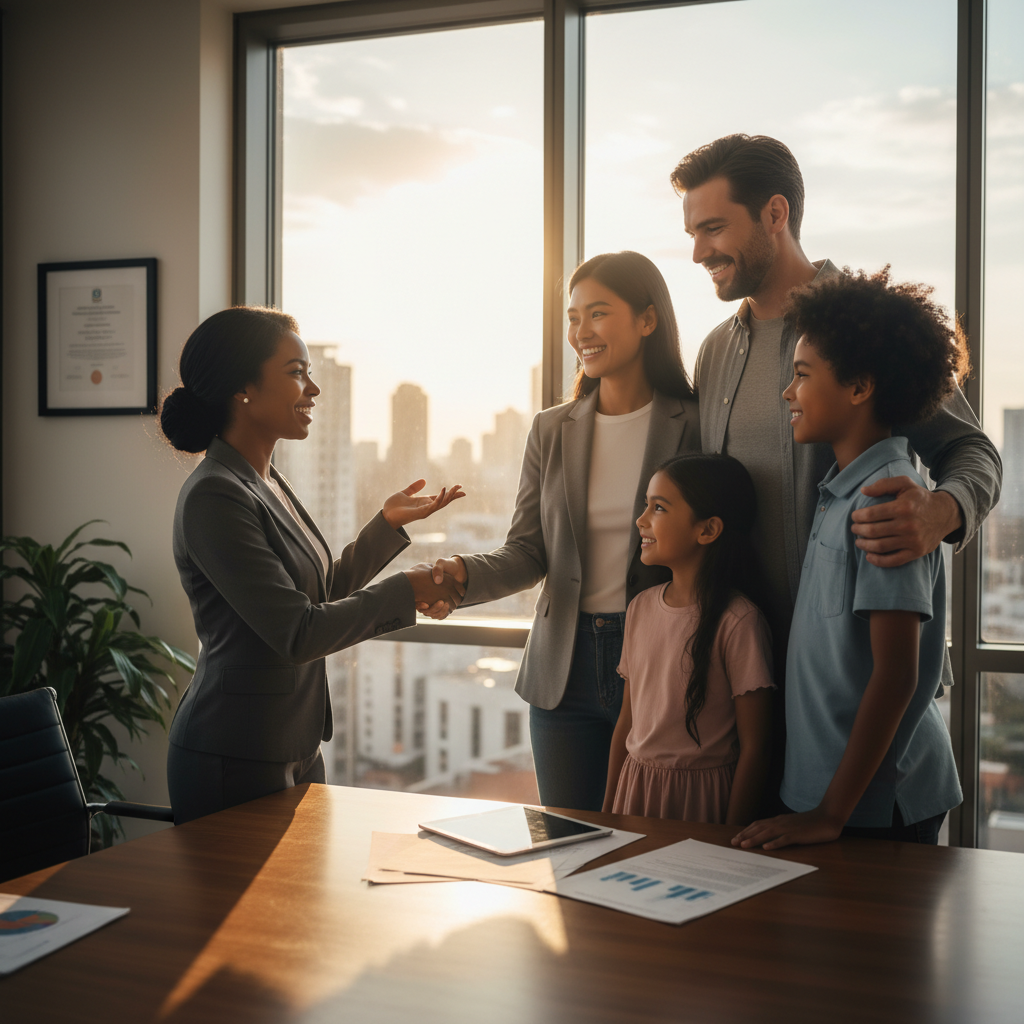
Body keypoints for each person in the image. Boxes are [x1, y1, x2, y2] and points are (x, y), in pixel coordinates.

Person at [670, 134, 1001, 803]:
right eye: (692, 233)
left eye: (713, 228)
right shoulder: (713, 352)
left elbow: (974, 451)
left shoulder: (864, 327)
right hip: (750, 686)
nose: (698, 251)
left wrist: (940, 511)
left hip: (853, 691)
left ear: (775, 214)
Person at [160, 306, 464, 824]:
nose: (314, 389)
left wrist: (384, 526)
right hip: (233, 753)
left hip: (294, 744)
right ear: (243, 388)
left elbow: (317, 597)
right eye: (297, 373)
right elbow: (298, 632)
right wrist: (407, 590)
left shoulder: (265, 482)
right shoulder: (215, 495)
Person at [426, 252, 700, 811]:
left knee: (651, 840)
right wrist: (462, 576)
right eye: (573, 318)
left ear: (648, 319)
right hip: (563, 670)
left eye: (597, 313)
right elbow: (528, 551)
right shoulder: (551, 429)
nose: (581, 332)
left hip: (661, 660)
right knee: (568, 842)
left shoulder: (694, 424)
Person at [734, 267, 965, 850]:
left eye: (802, 374)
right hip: (832, 795)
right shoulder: (842, 489)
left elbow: (897, 674)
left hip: (876, 806)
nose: (788, 392)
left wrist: (830, 813)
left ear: (859, 387)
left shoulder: (887, 499)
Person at [603, 454, 774, 825]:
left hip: (703, 803)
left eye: (658, 507)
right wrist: (607, 814)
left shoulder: (739, 622)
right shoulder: (640, 608)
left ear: (708, 530)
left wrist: (729, 840)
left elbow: (756, 748)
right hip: (636, 789)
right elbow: (627, 722)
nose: (640, 520)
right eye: (645, 505)